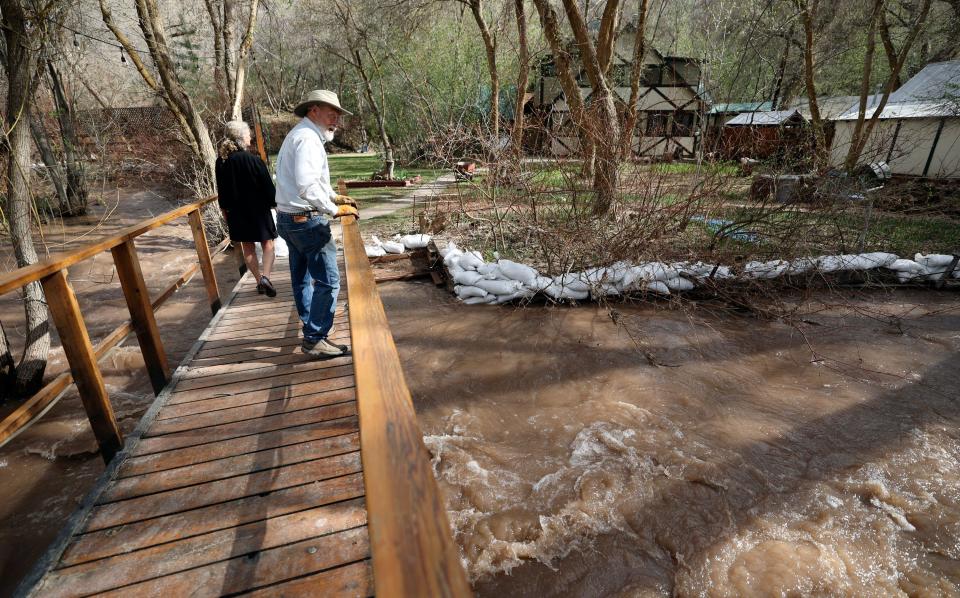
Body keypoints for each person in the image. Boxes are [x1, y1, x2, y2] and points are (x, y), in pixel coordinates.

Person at [275, 90, 359, 359]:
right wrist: (334, 209)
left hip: (288, 220)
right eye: (330, 112)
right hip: (306, 222)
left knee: (301, 278)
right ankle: (315, 338)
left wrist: (334, 195)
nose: (336, 119)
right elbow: (307, 185)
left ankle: (310, 325)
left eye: (337, 114)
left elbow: (314, 181)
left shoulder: (301, 134)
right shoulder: (308, 139)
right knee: (329, 282)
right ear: (313, 111)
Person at [215, 120, 279, 297]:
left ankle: (258, 280)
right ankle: (266, 277)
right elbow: (268, 187)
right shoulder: (254, 160)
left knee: (247, 246)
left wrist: (224, 210)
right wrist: (275, 204)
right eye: (248, 133)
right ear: (241, 137)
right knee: (268, 243)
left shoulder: (221, 162)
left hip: (235, 212)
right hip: (258, 211)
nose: (250, 136)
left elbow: (221, 189)